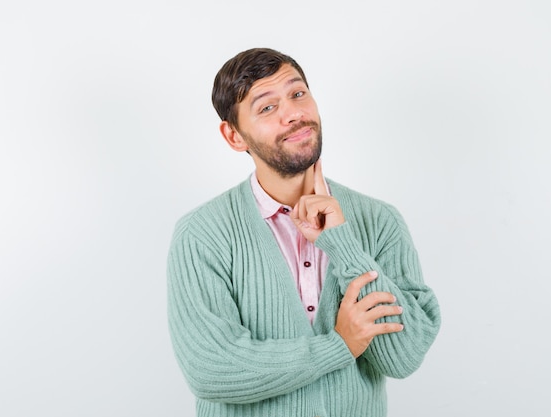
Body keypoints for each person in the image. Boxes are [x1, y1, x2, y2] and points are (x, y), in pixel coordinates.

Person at [166, 47, 441, 417]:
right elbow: (213, 369)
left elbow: (403, 358)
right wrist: (340, 344)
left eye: (298, 94)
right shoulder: (202, 234)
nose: (293, 114)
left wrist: (342, 243)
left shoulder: (380, 221)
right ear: (234, 137)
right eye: (267, 107)